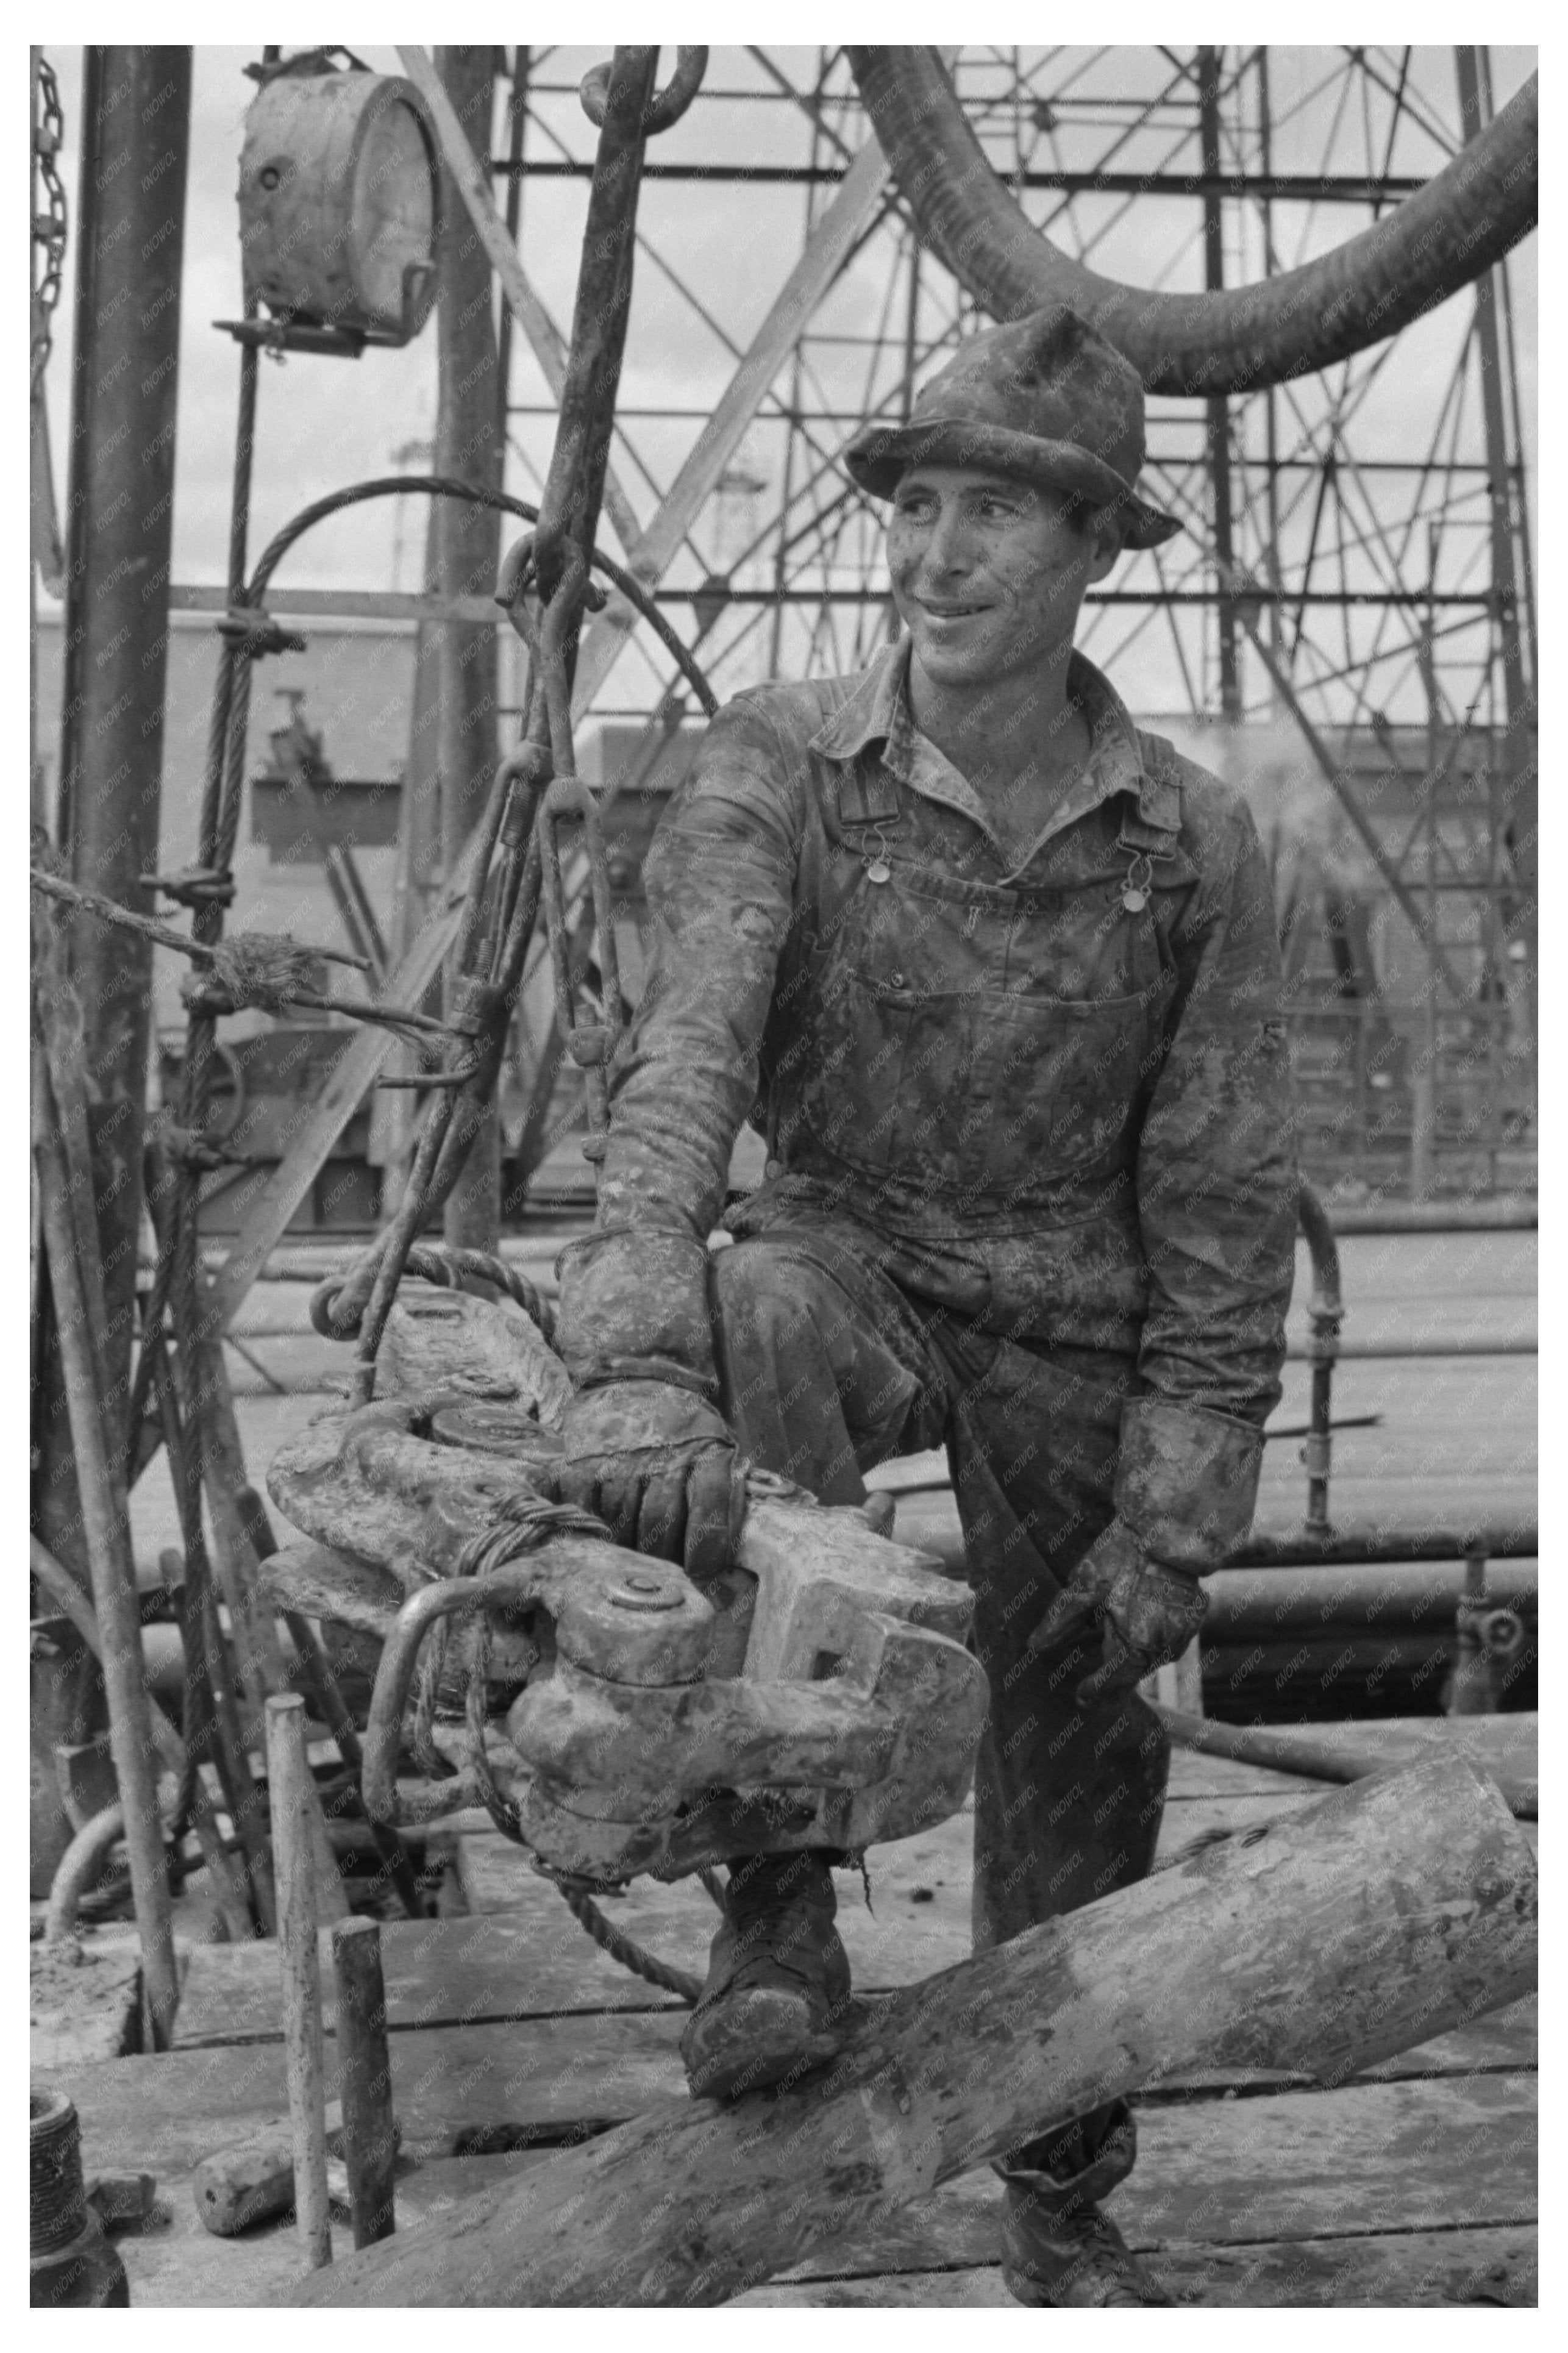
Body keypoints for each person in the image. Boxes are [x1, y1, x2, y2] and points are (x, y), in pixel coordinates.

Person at [547, 305, 1298, 2307]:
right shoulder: (782, 767)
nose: (936, 555)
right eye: (918, 506)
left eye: (995, 515)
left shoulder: (1192, 846)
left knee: (1080, 1740)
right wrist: (637, 1361)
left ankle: (1058, 2179)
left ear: (1094, 549)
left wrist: (1173, 1514)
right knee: (760, 1317)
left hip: (1074, 1313)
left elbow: (1219, 1188)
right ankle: (776, 1908)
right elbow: (684, 1059)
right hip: (850, 1257)